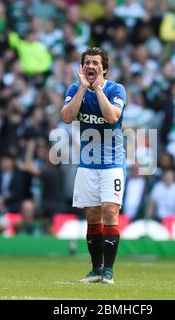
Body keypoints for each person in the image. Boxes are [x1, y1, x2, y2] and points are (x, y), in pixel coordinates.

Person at [61, 47, 126, 284]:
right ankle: (96, 269)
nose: (91, 66)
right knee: (92, 215)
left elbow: (112, 117)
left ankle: (108, 271)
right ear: (81, 68)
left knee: (110, 211)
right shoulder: (73, 89)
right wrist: (81, 89)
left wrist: (97, 89)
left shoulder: (116, 89)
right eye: (87, 62)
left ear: (104, 68)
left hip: (112, 163)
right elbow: (67, 117)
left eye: (96, 63)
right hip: (87, 164)